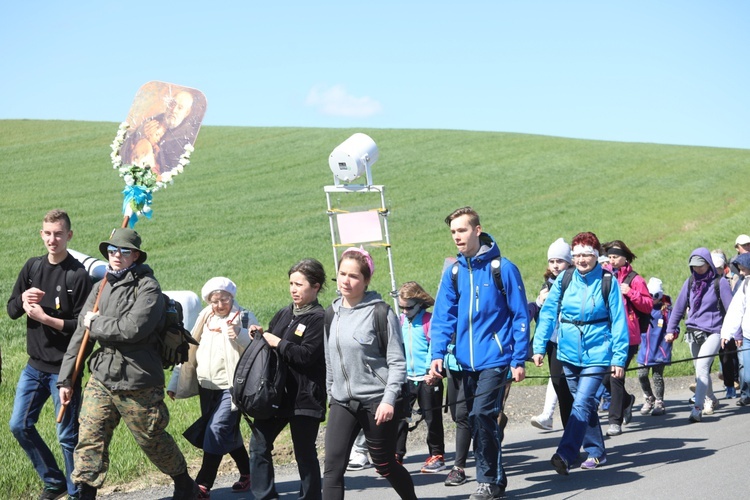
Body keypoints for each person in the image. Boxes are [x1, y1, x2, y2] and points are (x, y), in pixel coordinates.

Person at [57, 228, 199, 499]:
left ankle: (183, 482)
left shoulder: (149, 288)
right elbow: (81, 336)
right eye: (112, 251)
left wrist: (96, 323)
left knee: (151, 438)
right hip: (102, 376)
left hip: (138, 379)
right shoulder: (100, 287)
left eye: (123, 251)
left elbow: (133, 329)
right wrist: (66, 379)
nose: (116, 256)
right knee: (90, 438)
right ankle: (86, 493)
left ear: (136, 255)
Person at [429, 207, 530, 500]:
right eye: (452, 232)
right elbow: (443, 316)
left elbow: (520, 315)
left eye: (461, 230)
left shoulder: (503, 269)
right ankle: (497, 479)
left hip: (496, 359)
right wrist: (437, 353)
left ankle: (485, 481)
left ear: (477, 230)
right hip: (463, 362)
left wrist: (518, 358)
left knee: (482, 413)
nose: (456, 237)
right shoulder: (455, 272)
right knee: (475, 419)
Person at [7, 209, 92, 500]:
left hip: (64, 370)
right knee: (19, 425)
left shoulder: (78, 276)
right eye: (47, 233)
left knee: (67, 437)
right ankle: (54, 480)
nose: (52, 239)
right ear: (41, 234)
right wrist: (22, 299)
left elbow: (83, 328)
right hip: (34, 367)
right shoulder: (32, 267)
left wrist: (45, 318)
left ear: (69, 235)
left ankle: (77, 491)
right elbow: (11, 310)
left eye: (58, 233)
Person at [532, 232, 629, 474]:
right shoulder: (565, 279)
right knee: (582, 405)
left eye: (587, 254)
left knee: (583, 401)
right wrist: (539, 346)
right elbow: (547, 314)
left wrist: (618, 358)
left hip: (597, 353)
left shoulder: (608, 282)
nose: (581, 259)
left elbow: (618, 322)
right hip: (567, 354)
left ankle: (565, 454)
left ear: (596, 256)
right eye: (577, 255)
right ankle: (596, 452)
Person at [323, 247, 416, 500]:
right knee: (331, 468)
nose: (346, 281)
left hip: (376, 402)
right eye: (342, 274)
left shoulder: (380, 313)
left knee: (384, 463)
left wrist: (388, 400)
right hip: (343, 401)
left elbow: (397, 363)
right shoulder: (331, 314)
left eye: (353, 276)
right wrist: (332, 391)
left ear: (366, 280)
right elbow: (329, 358)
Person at [167, 277, 257, 498]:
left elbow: (257, 349)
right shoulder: (204, 318)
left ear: (231, 297)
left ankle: (202, 483)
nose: (219, 305)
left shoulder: (243, 316)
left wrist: (241, 334)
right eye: (214, 300)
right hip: (207, 386)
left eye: (224, 299)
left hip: (233, 388)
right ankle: (249, 474)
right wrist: (174, 382)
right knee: (226, 431)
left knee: (216, 430)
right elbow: (188, 350)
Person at [248, 259, 327, 500]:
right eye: (291, 283)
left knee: (304, 452)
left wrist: (278, 342)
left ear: (316, 286)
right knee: (259, 444)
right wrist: (260, 336)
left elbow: (306, 356)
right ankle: (265, 496)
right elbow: (271, 346)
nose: (293, 289)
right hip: (276, 394)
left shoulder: (320, 318)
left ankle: (310, 497)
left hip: (305, 396)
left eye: (299, 284)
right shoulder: (284, 313)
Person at [666, 247, 733, 423]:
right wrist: (670, 330)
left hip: (714, 331)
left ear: (709, 264)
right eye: (694, 266)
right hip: (693, 331)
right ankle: (711, 398)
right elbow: (679, 308)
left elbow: (732, 310)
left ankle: (697, 408)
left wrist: (735, 333)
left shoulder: (721, 283)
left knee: (702, 367)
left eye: (700, 266)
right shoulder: (690, 282)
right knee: (699, 370)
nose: (697, 269)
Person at [600, 240, 652, 436]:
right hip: (606, 334)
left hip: (629, 336)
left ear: (625, 257)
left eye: (615, 257)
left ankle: (615, 421)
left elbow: (648, 305)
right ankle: (627, 401)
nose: (612, 260)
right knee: (604, 377)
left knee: (615, 376)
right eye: (610, 257)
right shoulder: (603, 274)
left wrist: (631, 293)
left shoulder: (635, 278)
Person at [394, 281, 445, 473]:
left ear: (420, 303)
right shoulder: (400, 321)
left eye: (408, 307)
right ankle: (397, 455)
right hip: (407, 377)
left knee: (432, 418)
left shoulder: (429, 321)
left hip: (427, 377)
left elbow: (436, 347)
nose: (405, 311)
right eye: (402, 307)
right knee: (400, 417)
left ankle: (437, 455)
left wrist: (431, 372)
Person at [528, 238, 574, 431]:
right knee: (560, 388)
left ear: (569, 262)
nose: (555, 265)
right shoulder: (547, 284)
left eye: (560, 261)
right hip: (553, 342)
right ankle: (569, 438)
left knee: (575, 392)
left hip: (572, 341)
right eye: (552, 261)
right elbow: (541, 317)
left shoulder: (575, 281)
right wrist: (540, 301)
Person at [636, 278, 673, 416]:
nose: (651, 299)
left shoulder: (665, 310)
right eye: (648, 295)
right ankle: (649, 397)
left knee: (657, 376)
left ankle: (659, 401)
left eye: (654, 296)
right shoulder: (643, 309)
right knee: (641, 374)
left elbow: (673, 326)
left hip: (659, 349)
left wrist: (671, 334)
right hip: (644, 349)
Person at [721, 253, 750, 406]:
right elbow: (735, 309)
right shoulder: (745, 285)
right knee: (747, 375)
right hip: (747, 337)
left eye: (744, 269)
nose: (741, 273)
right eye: (740, 269)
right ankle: (747, 394)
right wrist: (727, 333)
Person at [713, 249, 739, 398]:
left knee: (727, 355)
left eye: (719, 268)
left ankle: (730, 385)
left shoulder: (732, 279)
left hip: (727, 321)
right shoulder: (704, 281)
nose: (717, 270)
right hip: (711, 322)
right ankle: (702, 387)